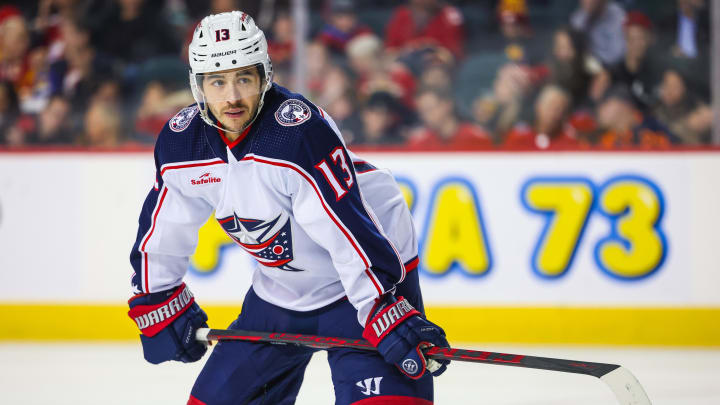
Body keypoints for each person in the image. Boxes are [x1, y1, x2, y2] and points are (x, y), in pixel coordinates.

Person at [127, 11, 450, 405]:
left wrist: (384, 308)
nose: (231, 97)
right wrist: (157, 295)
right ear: (198, 86)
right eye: (217, 81)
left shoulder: (296, 134)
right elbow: (164, 227)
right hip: (279, 296)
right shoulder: (182, 144)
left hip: (365, 284)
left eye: (244, 78)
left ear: (265, 76)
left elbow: (346, 227)